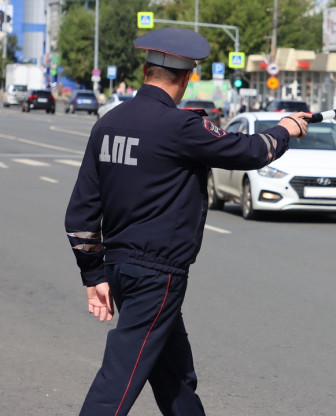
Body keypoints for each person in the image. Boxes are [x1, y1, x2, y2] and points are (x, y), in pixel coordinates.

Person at [64, 27, 309, 416]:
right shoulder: (179, 126)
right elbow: (247, 151)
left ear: (145, 70)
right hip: (156, 273)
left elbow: (80, 214)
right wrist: (285, 129)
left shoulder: (108, 124)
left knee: (173, 375)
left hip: (121, 267)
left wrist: (94, 275)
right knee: (120, 377)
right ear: (185, 77)